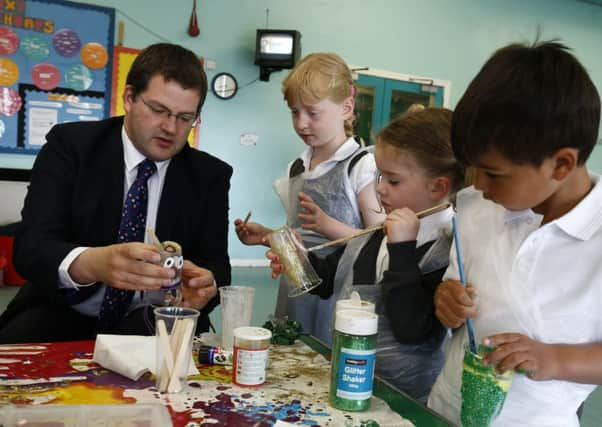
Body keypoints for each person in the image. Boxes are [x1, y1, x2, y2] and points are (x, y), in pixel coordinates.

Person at [0, 43, 232, 343]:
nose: (171, 128)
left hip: (156, 322)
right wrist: (91, 264)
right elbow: (31, 247)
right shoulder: (71, 147)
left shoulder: (209, 176)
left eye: (185, 117)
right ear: (130, 98)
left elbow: (218, 268)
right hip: (63, 311)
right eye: (158, 110)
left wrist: (205, 285)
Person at [427, 40, 602, 426]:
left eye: (494, 173)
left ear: (561, 164)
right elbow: (455, 287)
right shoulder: (477, 207)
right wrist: (448, 300)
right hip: (445, 409)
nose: (480, 185)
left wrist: (553, 357)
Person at [268, 107, 466, 402]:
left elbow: (411, 328)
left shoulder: (449, 250)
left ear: (438, 187)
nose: (381, 190)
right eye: (379, 177)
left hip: (409, 404)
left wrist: (402, 251)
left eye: (393, 181)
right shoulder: (374, 235)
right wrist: (298, 259)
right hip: (348, 386)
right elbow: (327, 280)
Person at [234, 53, 384, 343]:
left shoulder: (363, 165)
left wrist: (329, 225)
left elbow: (379, 241)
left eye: (313, 113)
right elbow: (301, 238)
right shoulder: (296, 167)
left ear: (346, 108)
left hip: (340, 300)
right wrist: (268, 236)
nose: (302, 123)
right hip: (296, 294)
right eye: (294, 112)